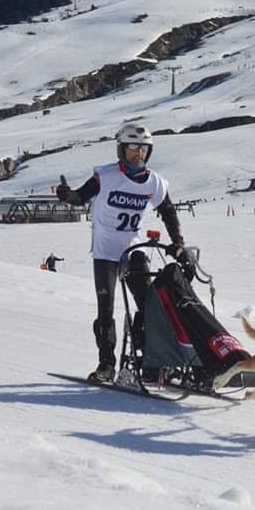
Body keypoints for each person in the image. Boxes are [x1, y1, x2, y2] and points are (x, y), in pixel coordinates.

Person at [56, 123, 186, 382]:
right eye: (132, 148)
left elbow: (169, 212)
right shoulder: (106, 176)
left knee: (149, 305)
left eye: (143, 149)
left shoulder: (155, 182)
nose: (138, 154)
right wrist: (66, 195)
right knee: (105, 310)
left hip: (133, 248)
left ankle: (152, 361)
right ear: (122, 150)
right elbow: (80, 197)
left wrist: (178, 243)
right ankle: (106, 365)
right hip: (105, 251)